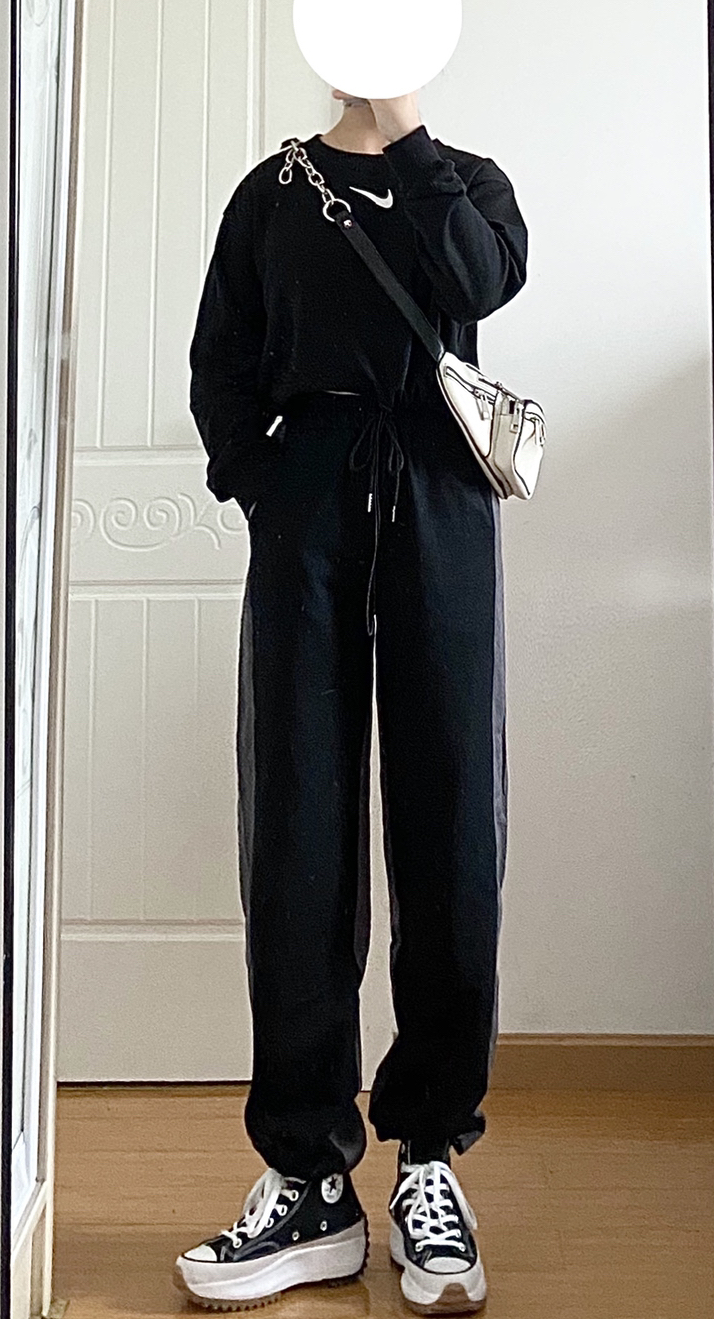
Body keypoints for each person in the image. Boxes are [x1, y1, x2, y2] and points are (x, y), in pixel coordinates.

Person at [176, 89, 528, 1314]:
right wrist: (263, 478)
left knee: (451, 829)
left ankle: (429, 1156)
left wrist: (411, 139)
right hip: (312, 510)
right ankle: (309, 1178)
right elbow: (221, 356)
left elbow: (483, 281)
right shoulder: (272, 195)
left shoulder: (468, 181)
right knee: (299, 830)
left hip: (442, 502)